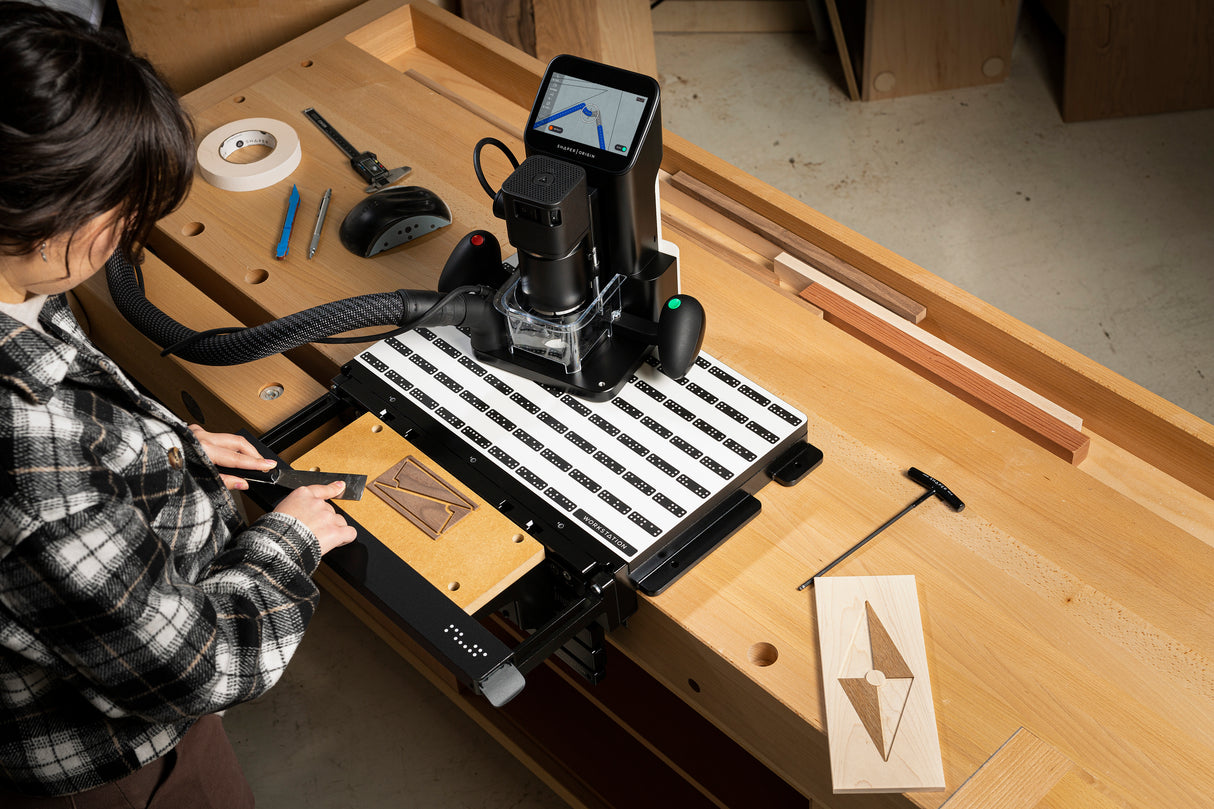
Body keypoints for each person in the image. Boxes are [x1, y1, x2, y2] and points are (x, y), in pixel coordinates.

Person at [0, 3, 357, 805]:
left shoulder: (16, 284)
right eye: (122, 205)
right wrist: (287, 543)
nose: (131, 229)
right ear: (49, 209)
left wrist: (152, 449)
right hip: (122, 764)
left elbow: (67, 432)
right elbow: (199, 665)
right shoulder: (27, 446)